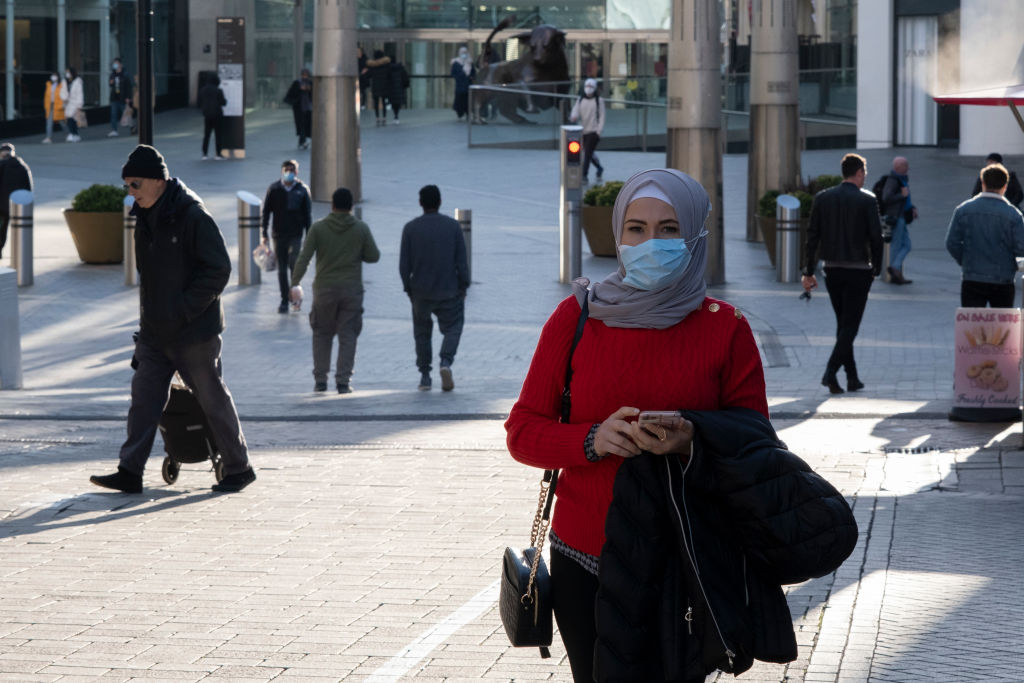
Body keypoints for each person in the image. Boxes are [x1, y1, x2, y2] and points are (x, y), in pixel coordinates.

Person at [505, 169, 776, 682]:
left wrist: (692, 436)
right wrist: (591, 438)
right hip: (585, 558)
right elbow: (522, 430)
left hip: (688, 562)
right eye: (636, 228)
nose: (651, 241)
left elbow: (756, 443)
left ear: (696, 235)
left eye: (670, 229)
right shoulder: (577, 316)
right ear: (618, 235)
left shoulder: (727, 328)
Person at [89, 145, 255, 494]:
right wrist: (146, 327)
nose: (130, 193)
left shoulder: (192, 215)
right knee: (143, 399)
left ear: (156, 181)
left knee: (212, 398)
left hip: (194, 332)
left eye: (134, 185)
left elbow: (219, 269)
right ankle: (129, 471)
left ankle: (239, 468)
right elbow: (149, 280)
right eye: (126, 186)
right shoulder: (143, 216)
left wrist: (183, 310)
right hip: (154, 333)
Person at [802, 153, 884, 394]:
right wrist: (876, 268)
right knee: (850, 326)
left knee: (843, 324)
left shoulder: (823, 198)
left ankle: (851, 377)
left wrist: (809, 269)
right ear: (859, 173)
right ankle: (830, 372)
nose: (864, 177)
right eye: (864, 173)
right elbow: (876, 238)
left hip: (832, 269)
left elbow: (812, 236)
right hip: (859, 270)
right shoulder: (867, 200)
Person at [289, 187, 380, 394]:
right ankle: (343, 382)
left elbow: (304, 257)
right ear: (351, 206)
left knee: (321, 333)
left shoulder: (318, 228)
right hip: (351, 290)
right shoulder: (360, 228)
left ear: (332, 205)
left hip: (324, 290)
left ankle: (321, 380)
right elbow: (374, 256)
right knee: (348, 335)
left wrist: (295, 282)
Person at [399, 185, 469, 391]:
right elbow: (461, 261)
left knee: (421, 332)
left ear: (421, 203)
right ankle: (445, 362)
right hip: (449, 289)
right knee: (454, 326)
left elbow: (404, 265)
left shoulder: (410, 228)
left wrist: (408, 288)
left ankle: (425, 375)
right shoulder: (452, 227)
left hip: (420, 291)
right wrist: (464, 284)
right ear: (440, 202)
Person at [946, 162, 1024, 308]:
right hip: (1003, 278)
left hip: (972, 277)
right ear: (1005, 186)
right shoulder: (1014, 215)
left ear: (982, 182)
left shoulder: (963, 210)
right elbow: (1021, 247)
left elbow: (952, 242)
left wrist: (965, 260)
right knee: (1002, 328)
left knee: (973, 327)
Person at [261, 160, 313, 314]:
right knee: (282, 269)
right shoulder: (274, 189)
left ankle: (294, 294)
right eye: (286, 170)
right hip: (278, 235)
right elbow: (266, 212)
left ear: (296, 173)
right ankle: (285, 299)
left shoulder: (302, 190)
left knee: (294, 265)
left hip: (296, 234)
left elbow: (307, 215)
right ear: (282, 171)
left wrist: (309, 236)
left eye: (292, 170)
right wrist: (264, 233)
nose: (289, 173)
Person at [879, 156, 917, 284]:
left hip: (901, 216)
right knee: (899, 245)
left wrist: (912, 208)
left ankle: (896, 270)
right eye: (905, 165)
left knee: (906, 245)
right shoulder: (894, 180)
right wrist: (902, 195)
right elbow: (886, 197)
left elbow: (905, 200)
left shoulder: (902, 180)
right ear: (897, 167)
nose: (907, 168)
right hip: (895, 217)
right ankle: (895, 270)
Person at [569, 78, 605, 184]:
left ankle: (584, 175)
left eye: (590, 87)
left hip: (593, 132)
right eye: (587, 87)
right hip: (582, 131)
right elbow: (575, 111)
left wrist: (599, 131)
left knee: (587, 153)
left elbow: (602, 117)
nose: (588, 89)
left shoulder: (599, 101)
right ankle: (599, 167)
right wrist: (574, 117)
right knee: (588, 153)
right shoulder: (580, 100)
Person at [0, 143, 32, 260]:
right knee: (19, 231)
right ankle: (20, 254)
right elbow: (28, 188)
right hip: (19, 207)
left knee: (1, 229)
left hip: (2, 207)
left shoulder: (1, 165)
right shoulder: (22, 166)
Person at [197, 73, 226, 160]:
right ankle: (218, 154)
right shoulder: (218, 90)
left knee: (207, 135)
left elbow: (199, 102)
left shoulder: (203, 90)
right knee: (218, 135)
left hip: (207, 115)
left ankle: (204, 154)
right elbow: (223, 102)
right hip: (217, 115)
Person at [284, 69, 313, 149]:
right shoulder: (297, 83)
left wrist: (308, 89)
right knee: (301, 125)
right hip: (299, 108)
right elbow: (291, 93)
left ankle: (303, 141)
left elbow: (313, 94)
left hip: (308, 108)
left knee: (306, 125)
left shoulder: (310, 83)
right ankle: (302, 142)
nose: (305, 77)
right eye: (303, 75)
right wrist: (300, 89)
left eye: (306, 75)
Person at [450, 46, 475, 120]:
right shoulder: (456, 63)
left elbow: (473, 73)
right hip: (459, 86)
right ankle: (460, 113)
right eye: (462, 52)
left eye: (465, 52)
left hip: (468, 86)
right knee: (459, 100)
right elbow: (453, 73)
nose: (464, 54)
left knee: (468, 100)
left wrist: (470, 76)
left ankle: (468, 113)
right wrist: (461, 74)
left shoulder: (470, 62)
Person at [107, 57, 131, 137]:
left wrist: (128, 97)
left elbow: (128, 86)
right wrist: (111, 82)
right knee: (113, 114)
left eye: (116, 63)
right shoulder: (112, 74)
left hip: (123, 97)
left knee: (126, 113)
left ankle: (132, 127)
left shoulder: (125, 74)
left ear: (120, 64)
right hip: (114, 97)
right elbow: (110, 84)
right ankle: (114, 130)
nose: (115, 65)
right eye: (114, 64)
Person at [367, 50, 392, 126]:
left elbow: (369, 75)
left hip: (376, 86)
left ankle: (377, 117)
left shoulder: (372, 66)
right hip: (384, 86)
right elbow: (389, 75)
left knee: (376, 103)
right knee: (384, 102)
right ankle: (384, 117)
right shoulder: (387, 65)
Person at [59, 67, 84, 142]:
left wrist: (79, 105)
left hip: (75, 103)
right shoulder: (65, 82)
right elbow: (62, 92)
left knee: (74, 119)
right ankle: (73, 133)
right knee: (69, 118)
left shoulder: (77, 81)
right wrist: (64, 97)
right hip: (67, 103)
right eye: (66, 72)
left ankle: (75, 134)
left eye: (68, 72)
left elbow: (80, 94)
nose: (67, 74)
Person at [42, 73, 65, 144]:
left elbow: (63, 96)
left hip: (58, 106)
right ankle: (48, 137)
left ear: (58, 77)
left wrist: (62, 105)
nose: (53, 77)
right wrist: (46, 106)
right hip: (50, 106)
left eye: (55, 76)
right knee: (49, 122)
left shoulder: (61, 85)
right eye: (52, 76)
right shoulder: (49, 85)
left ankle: (69, 134)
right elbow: (46, 96)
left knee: (62, 122)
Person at [387, 59, 410, 124]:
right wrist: (405, 86)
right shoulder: (401, 69)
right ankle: (396, 116)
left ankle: (395, 115)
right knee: (398, 103)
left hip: (392, 89)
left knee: (393, 103)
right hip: (400, 88)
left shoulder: (389, 69)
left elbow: (387, 79)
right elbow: (406, 79)